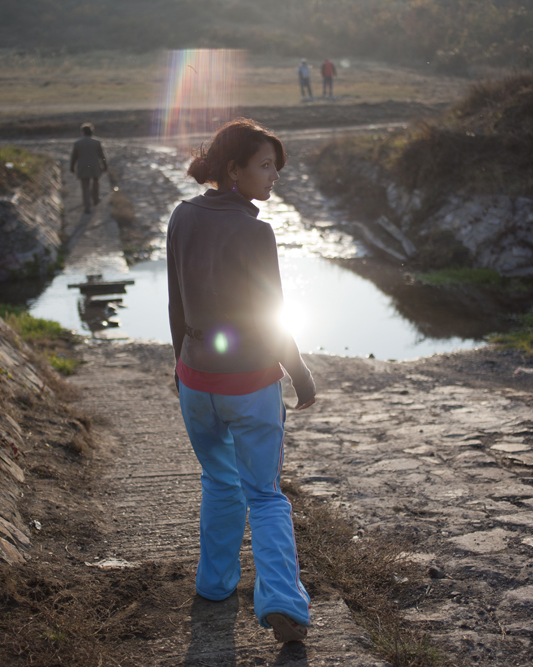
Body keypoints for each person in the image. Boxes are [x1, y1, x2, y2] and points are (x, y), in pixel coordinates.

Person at [166, 118, 316, 644]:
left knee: (220, 481)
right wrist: (299, 375)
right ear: (233, 170)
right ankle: (281, 600)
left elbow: (176, 306)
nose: (273, 176)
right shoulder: (256, 232)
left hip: (196, 379)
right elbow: (272, 316)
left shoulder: (181, 217)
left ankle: (215, 586)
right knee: (266, 494)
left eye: (275, 166)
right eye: (264, 165)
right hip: (249, 383)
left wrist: (180, 370)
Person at [69, 123, 108, 213]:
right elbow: (102, 156)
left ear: (82, 132)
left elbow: (74, 157)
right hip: (95, 167)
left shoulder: (78, 143)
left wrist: (72, 167)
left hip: (83, 167)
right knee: (96, 183)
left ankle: (87, 206)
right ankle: (96, 199)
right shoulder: (97, 142)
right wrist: (105, 166)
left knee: (85, 187)